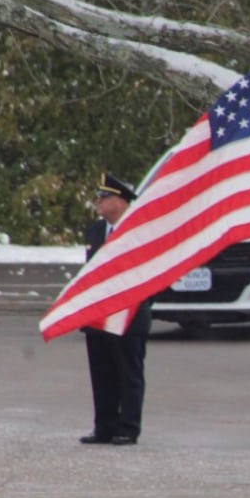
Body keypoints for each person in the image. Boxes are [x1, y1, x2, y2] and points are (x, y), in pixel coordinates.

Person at [79, 172, 152, 445]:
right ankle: (104, 426)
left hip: (128, 315)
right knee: (101, 372)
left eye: (104, 197)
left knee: (128, 373)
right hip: (98, 315)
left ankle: (128, 427)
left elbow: (149, 274)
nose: (98, 202)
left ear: (121, 202)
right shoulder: (95, 231)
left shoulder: (140, 229)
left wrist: (140, 305)